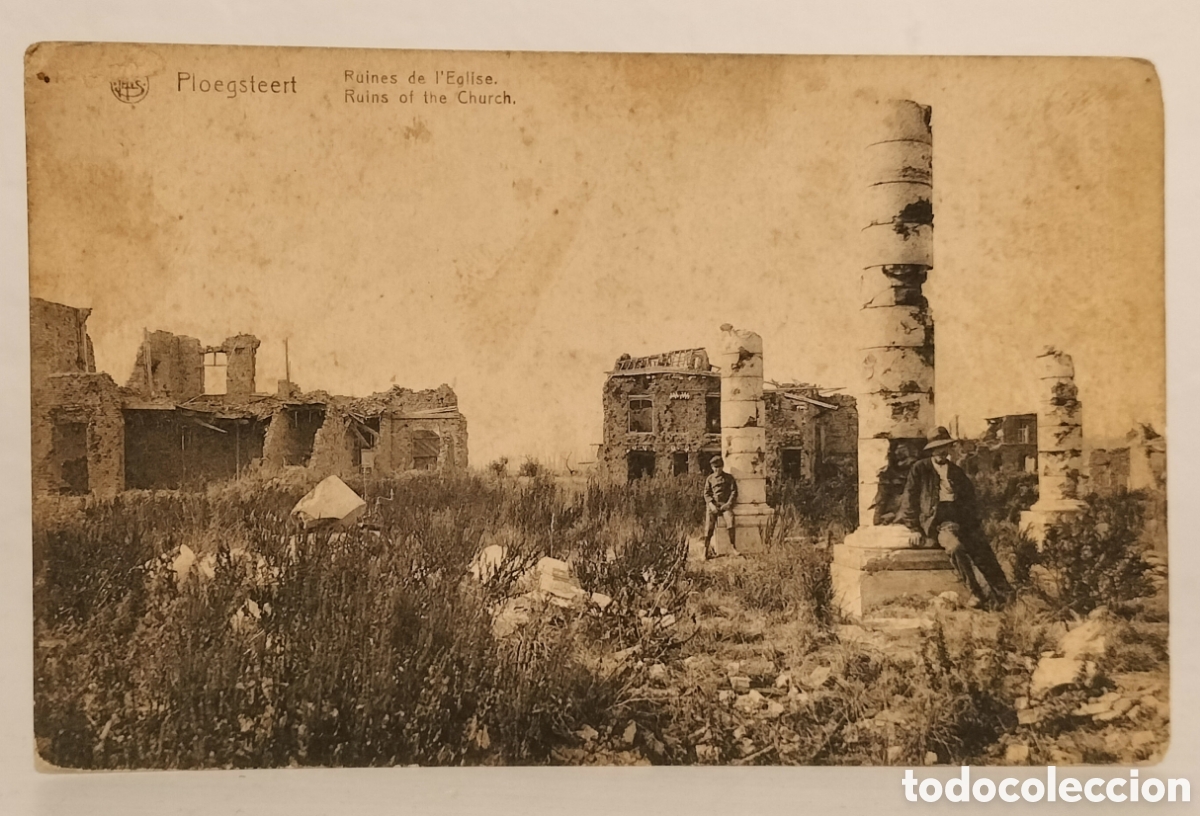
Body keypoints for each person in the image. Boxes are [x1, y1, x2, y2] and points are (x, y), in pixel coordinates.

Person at [897, 427, 1014, 609]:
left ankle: (1006, 596)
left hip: (959, 520)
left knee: (982, 548)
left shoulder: (956, 472)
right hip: (937, 522)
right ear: (931, 450)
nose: (941, 452)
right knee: (955, 547)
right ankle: (976, 593)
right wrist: (914, 528)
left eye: (945, 447)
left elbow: (970, 500)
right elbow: (909, 500)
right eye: (937, 448)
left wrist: (972, 525)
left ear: (949, 448)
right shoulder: (920, 469)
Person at [703, 456, 738, 559]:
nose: (717, 469)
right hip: (713, 505)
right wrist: (711, 505)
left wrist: (728, 504)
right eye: (714, 467)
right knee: (709, 527)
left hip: (725, 505)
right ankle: (705, 550)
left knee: (730, 522)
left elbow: (734, 492)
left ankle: (733, 546)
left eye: (719, 467)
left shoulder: (729, 478)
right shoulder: (710, 479)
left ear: (722, 467)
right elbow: (706, 494)